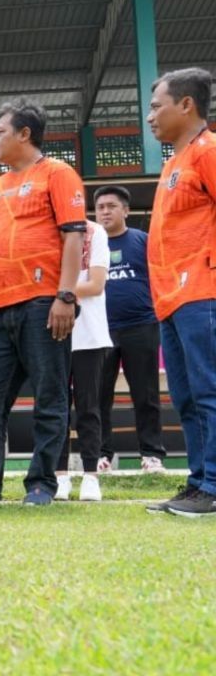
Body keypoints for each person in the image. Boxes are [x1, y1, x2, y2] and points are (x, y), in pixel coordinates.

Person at [0, 99, 86, 506]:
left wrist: (65, 295)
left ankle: (42, 483)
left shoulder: (58, 174)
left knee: (50, 396)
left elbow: (74, 237)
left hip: (44, 303)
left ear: (25, 134)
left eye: (0, 132)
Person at [144, 68, 216, 517]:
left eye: (156, 106)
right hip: (172, 298)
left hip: (203, 289)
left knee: (209, 391)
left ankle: (214, 483)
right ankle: (198, 482)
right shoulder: (175, 161)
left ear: (186, 105)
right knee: (186, 397)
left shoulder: (208, 151)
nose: (150, 116)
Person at [93, 185, 168, 474]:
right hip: (101, 330)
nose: (105, 211)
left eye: (112, 206)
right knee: (98, 396)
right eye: (100, 207)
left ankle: (151, 455)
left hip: (141, 327)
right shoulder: (90, 245)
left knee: (146, 394)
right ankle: (101, 455)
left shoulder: (142, 240)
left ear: (126, 210)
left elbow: (159, 277)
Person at [55, 219, 111, 501]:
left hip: (89, 333)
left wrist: (57, 295)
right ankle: (59, 475)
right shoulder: (43, 228)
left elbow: (96, 285)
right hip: (53, 332)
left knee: (89, 407)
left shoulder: (93, 231)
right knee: (55, 408)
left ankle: (91, 475)